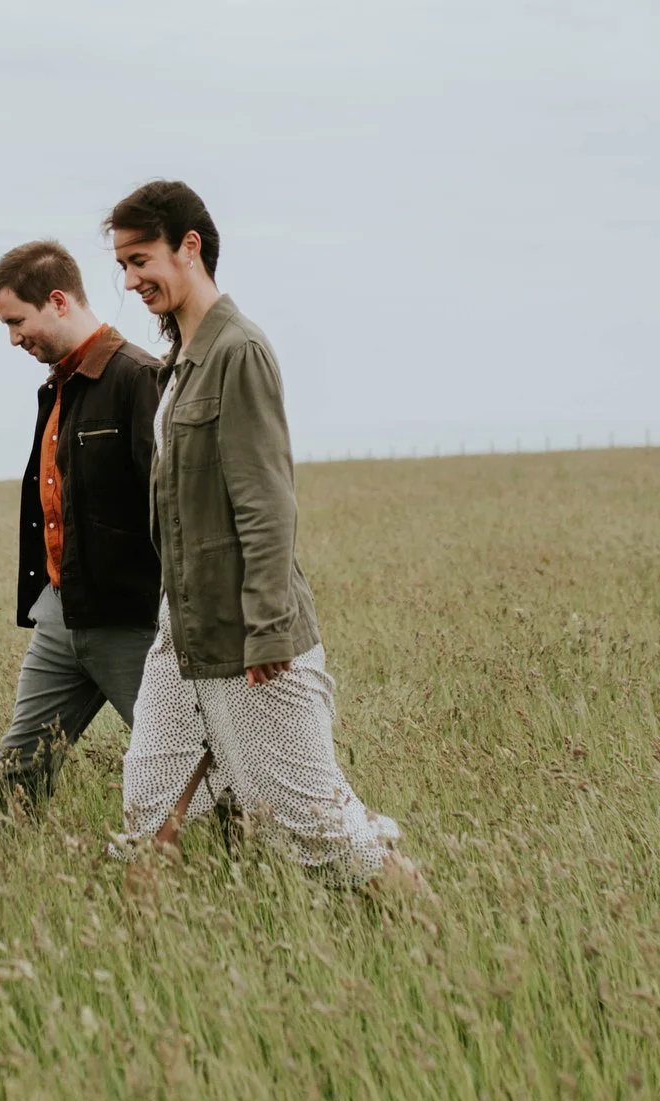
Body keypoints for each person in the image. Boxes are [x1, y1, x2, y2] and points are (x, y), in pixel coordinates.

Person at [104, 181, 422, 892]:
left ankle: (439, 940)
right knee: (149, 807)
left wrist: (270, 628)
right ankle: (137, 971)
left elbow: (265, 501)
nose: (130, 280)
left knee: (319, 832)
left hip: (246, 632)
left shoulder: (237, 351)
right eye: (121, 265)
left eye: (141, 259)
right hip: (180, 629)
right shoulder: (179, 361)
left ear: (191, 246)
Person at [0, 239, 166, 816]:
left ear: (57, 301)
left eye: (17, 322)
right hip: (61, 614)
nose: (13, 339)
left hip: (132, 622)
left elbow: (172, 509)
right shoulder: (57, 387)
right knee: (18, 771)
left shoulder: (140, 378)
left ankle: (241, 871)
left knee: (186, 763)